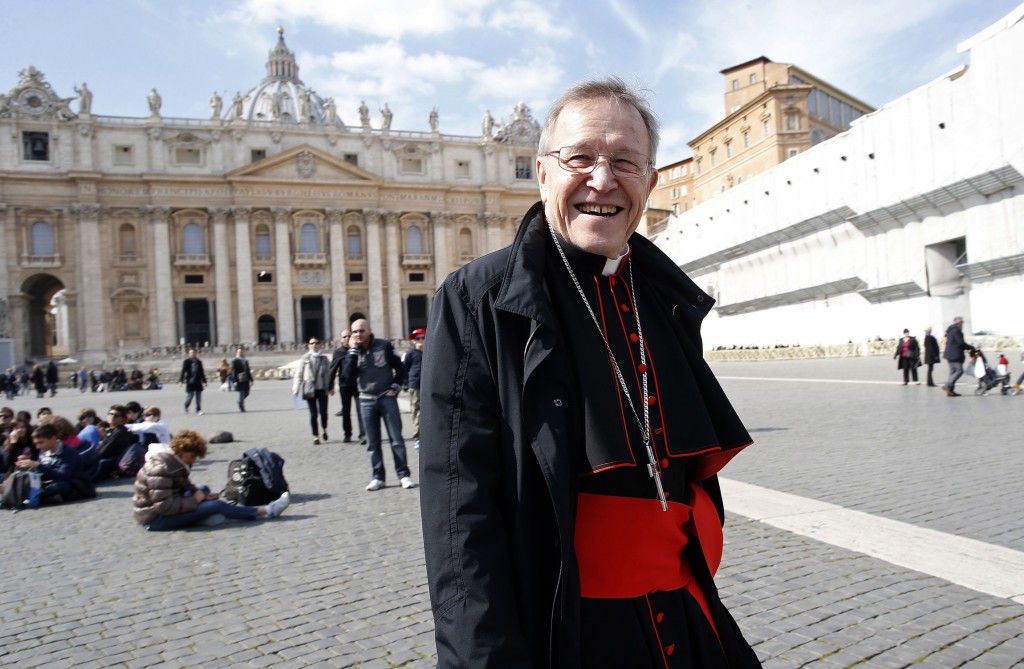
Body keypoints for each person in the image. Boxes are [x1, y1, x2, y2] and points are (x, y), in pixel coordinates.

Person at [420, 77, 760, 668]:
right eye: (580, 158)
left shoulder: (667, 297)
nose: (602, 181)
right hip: (564, 627)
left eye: (625, 162)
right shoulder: (475, 299)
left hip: (683, 612)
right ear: (543, 172)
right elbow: (459, 510)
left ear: (651, 182)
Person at [133, 429, 290, 531]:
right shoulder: (162, 468)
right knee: (217, 505)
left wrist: (201, 495)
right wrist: (195, 500)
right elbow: (164, 506)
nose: (194, 461)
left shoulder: (173, 462)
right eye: (193, 456)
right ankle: (267, 511)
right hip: (155, 519)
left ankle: (205, 514)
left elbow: (183, 487)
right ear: (181, 451)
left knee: (204, 489)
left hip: (166, 506)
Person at [340, 319, 413, 491]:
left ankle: (404, 474)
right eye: (355, 332)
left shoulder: (384, 346)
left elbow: (400, 368)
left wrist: (395, 387)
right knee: (372, 442)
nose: (358, 335)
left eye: (361, 331)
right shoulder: (352, 352)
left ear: (369, 330)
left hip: (386, 397)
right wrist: (352, 352)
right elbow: (346, 378)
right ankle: (378, 476)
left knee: (396, 439)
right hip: (365, 399)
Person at [14, 422, 95, 505]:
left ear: (53, 439)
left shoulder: (68, 451)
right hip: (51, 481)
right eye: (36, 443)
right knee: (22, 473)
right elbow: (43, 472)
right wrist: (29, 464)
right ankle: (27, 496)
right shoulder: (44, 451)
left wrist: (38, 465)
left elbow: (62, 476)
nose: (38, 447)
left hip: (75, 485)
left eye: (41, 442)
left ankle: (34, 497)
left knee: (58, 487)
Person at [292, 338, 333, 444]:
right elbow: (299, 374)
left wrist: (331, 387)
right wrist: (296, 388)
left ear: (320, 345)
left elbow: (329, 374)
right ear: (308, 345)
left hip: (322, 389)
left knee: (324, 412)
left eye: (317, 343)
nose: (314, 344)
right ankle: (315, 436)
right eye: (312, 343)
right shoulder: (304, 358)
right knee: (313, 414)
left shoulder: (325, 359)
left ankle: (324, 428)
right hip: (310, 389)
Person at [329, 331, 363, 443]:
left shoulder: (359, 349)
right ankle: (347, 434)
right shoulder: (338, 352)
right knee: (346, 411)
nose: (347, 338)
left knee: (360, 410)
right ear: (341, 339)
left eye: (349, 336)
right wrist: (330, 385)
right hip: (344, 385)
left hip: (359, 384)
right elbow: (333, 369)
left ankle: (363, 434)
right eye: (345, 337)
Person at [94, 405, 137, 480]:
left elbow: (106, 450)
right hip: (111, 459)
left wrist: (91, 458)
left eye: (116, 415)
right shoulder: (112, 430)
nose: (112, 417)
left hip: (114, 461)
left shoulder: (119, 432)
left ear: (122, 419)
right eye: (110, 414)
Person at [942, 316, 975, 397]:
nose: (963, 324)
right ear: (959, 322)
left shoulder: (950, 330)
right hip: (955, 354)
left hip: (949, 354)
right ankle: (948, 385)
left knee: (953, 372)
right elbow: (960, 343)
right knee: (959, 370)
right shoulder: (956, 331)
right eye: (962, 322)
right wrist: (970, 347)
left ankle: (950, 391)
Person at [403, 328, 425, 450]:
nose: (421, 340)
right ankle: (418, 438)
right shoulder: (410, 354)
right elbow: (404, 369)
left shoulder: (429, 352)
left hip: (426, 386)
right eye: (418, 338)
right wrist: (405, 383)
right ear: (413, 341)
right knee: (417, 412)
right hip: (415, 385)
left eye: (423, 338)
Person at [179, 349, 207, 414]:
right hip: (190, 381)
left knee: (198, 396)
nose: (192, 354)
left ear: (195, 353)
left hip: (198, 381)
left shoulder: (199, 362)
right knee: (190, 396)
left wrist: (204, 381)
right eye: (190, 353)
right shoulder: (186, 362)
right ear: (189, 354)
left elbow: (202, 372)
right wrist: (181, 380)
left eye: (193, 353)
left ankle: (198, 409)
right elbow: (183, 371)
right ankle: (186, 405)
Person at [231, 347, 254, 412]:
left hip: (246, 378)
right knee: (241, 392)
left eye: (241, 352)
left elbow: (248, 370)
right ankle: (241, 406)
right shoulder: (235, 361)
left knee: (247, 392)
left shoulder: (245, 360)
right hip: (239, 379)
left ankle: (240, 401)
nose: (240, 353)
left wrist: (251, 380)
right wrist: (234, 381)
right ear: (237, 353)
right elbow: (234, 372)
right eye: (239, 352)